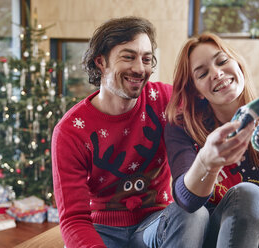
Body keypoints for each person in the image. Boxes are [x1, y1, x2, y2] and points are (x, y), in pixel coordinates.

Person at [52, 16, 210, 248]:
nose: (139, 68)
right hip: (102, 229)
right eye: (128, 57)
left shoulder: (167, 100)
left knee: (195, 213)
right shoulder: (70, 131)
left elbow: (213, 111)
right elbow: (74, 219)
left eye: (146, 59)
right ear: (101, 62)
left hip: (155, 223)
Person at [165, 32, 259, 248]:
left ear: (238, 65)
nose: (217, 73)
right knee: (247, 192)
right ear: (197, 92)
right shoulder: (183, 128)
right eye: (202, 74)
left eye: (222, 61)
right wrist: (206, 162)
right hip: (219, 235)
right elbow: (187, 201)